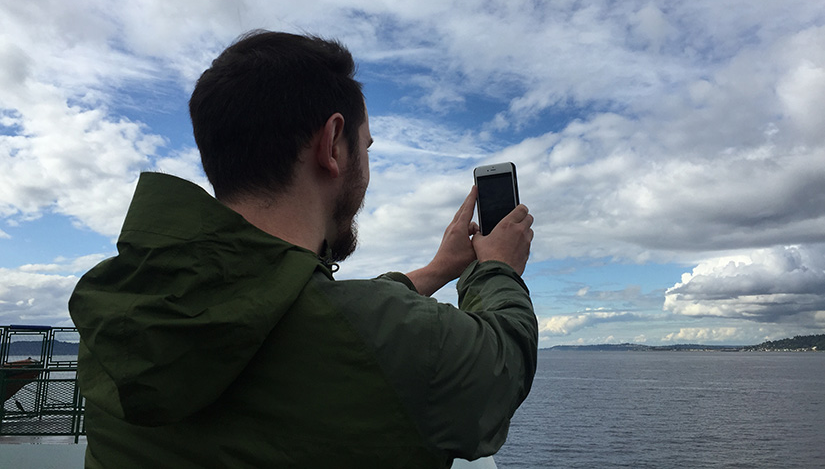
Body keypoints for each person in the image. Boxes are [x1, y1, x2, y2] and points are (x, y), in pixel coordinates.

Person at [69, 31, 537, 469]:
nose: (368, 166)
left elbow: (298, 305)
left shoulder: (122, 308)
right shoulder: (398, 346)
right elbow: (499, 368)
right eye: (366, 147)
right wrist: (496, 269)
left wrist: (438, 270)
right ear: (332, 144)